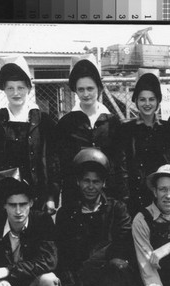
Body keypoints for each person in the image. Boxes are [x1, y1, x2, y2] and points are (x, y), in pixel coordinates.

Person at [52, 148, 133, 286]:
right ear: (78, 182)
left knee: (118, 266)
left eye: (96, 181)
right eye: (86, 181)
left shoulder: (117, 208)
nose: (91, 186)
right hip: (77, 281)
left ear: (104, 183)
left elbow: (122, 242)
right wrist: (71, 280)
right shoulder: (66, 213)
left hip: (104, 278)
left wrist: (93, 265)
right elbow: (62, 250)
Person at [0, 55, 57, 223]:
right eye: (10, 88)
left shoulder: (43, 121)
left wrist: (51, 197)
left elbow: (52, 162)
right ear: (4, 89)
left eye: (20, 87)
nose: (16, 93)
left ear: (29, 88)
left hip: (34, 198)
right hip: (0, 199)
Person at [54, 57, 124, 206]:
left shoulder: (112, 122)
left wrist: (123, 196)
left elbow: (119, 162)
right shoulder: (66, 123)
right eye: (81, 89)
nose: (86, 94)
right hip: (75, 196)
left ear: (98, 88)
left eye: (90, 88)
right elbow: (60, 165)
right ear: (75, 91)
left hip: (107, 195)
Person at [118, 72, 170, 217]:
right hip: (135, 197)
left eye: (151, 99)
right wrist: (125, 198)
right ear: (136, 101)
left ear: (158, 101)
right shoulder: (126, 130)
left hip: (161, 195)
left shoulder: (167, 129)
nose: (147, 104)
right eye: (142, 99)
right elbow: (122, 167)